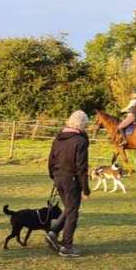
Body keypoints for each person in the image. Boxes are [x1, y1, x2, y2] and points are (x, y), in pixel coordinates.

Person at [44, 110, 90, 258]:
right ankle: (66, 246)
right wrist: (85, 189)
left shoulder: (58, 139)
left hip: (58, 177)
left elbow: (51, 160)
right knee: (72, 213)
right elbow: (81, 167)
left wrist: (54, 176)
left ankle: (53, 231)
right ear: (82, 124)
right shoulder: (80, 141)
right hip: (71, 180)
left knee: (69, 208)